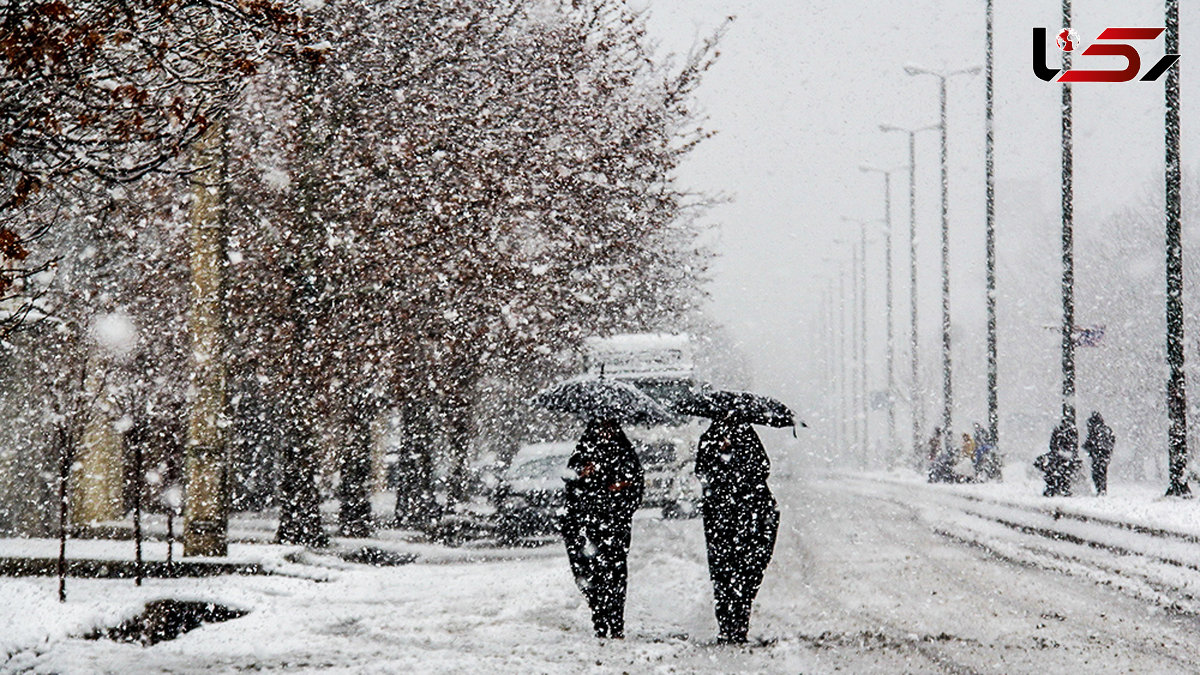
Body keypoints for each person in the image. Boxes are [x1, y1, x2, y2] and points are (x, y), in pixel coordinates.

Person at [696, 416, 779, 644]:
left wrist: (737, 455)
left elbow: (762, 469)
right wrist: (719, 456)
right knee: (723, 573)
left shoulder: (748, 440)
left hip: (750, 516)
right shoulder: (709, 440)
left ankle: (739, 624)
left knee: (748, 571)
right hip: (721, 520)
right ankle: (727, 627)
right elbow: (703, 472)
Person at [560, 418, 643, 639]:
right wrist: (582, 475)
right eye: (601, 428)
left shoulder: (624, 454)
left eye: (610, 428)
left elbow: (636, 486)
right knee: (589, 573)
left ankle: (616, 622)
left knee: (614, 574)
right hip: (585, 527)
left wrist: (620, 490)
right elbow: (570, 483)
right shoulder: (583, 453)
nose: (605, 433)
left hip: (614, 525)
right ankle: (599, 617)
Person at [1035, 421, 1080, 497]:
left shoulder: (1059, 432)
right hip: (1064, 456)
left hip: (1061, 457)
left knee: (1055, 473)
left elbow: (1053, 444)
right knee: (1062, 473)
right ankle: (1060, 488)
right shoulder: (1071, 432)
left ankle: (1055, 488)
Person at [1082, 412, 1115, 495]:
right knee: (1102, 473)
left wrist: (1088, 448)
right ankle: (1102, 489)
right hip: (1105, 456)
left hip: (1097, 455)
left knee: (1096, 474)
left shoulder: (1095, 431)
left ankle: (1100, 489)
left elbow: (1090, 442)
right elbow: (1112, 441)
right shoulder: (1107, 430)